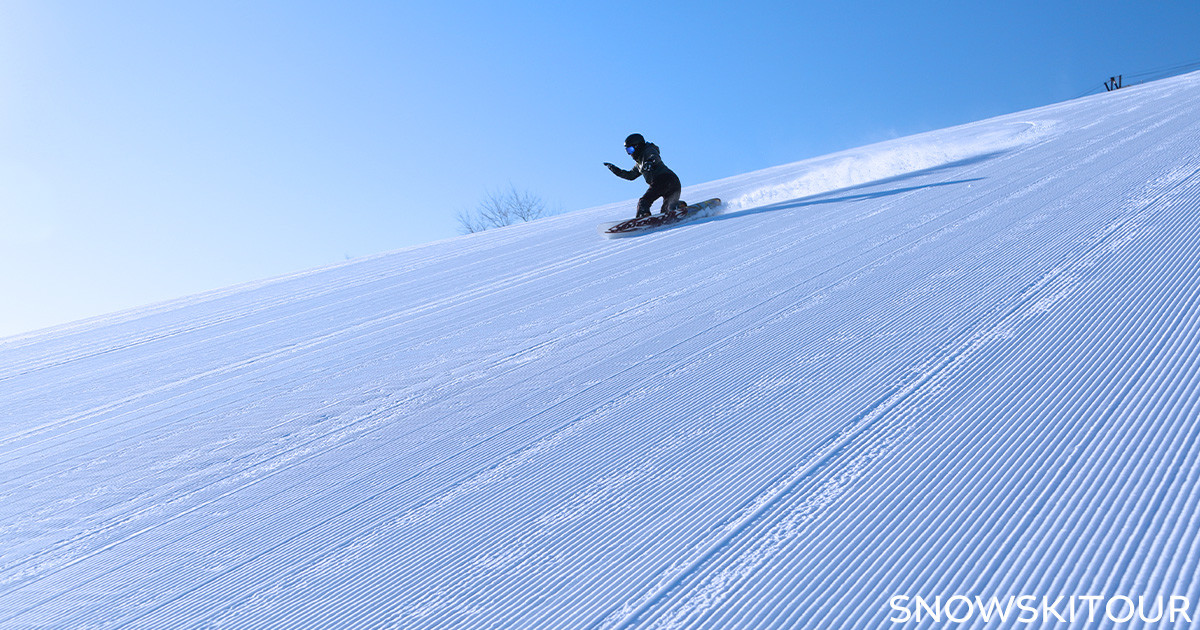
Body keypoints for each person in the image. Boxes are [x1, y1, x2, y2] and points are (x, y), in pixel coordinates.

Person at [604, 133, 683, 219]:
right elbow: (630, 175)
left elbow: (654, 156)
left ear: (637, 146)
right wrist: (615, 170)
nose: (630, 154)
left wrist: (650, 162)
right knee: (667, 212)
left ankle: (642, 217)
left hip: (664, 179)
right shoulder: (639, 164)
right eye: (627, 151)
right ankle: (678, 207)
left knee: (643, 203)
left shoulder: (648, 150)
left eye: (630, 150)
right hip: (673, 182)